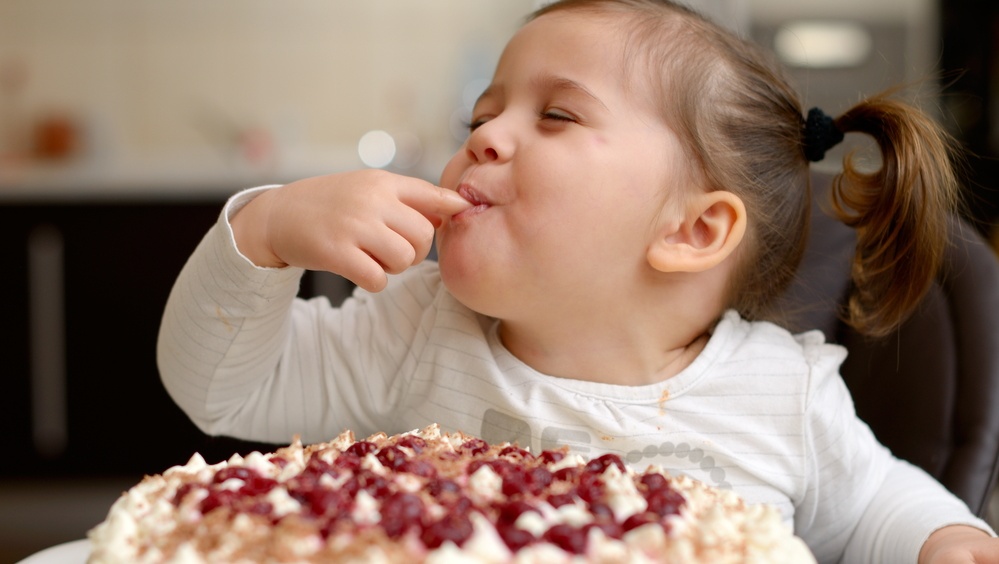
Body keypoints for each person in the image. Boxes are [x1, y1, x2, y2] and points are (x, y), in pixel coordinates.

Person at [157, 0, 998, 561]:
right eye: (480, 116)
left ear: (692, 229)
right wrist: (262, 232)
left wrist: (944, 539)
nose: (484, 137)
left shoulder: (781, 395)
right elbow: (222, 391)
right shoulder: (413, 329)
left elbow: (874, 504)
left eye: (555, 114)